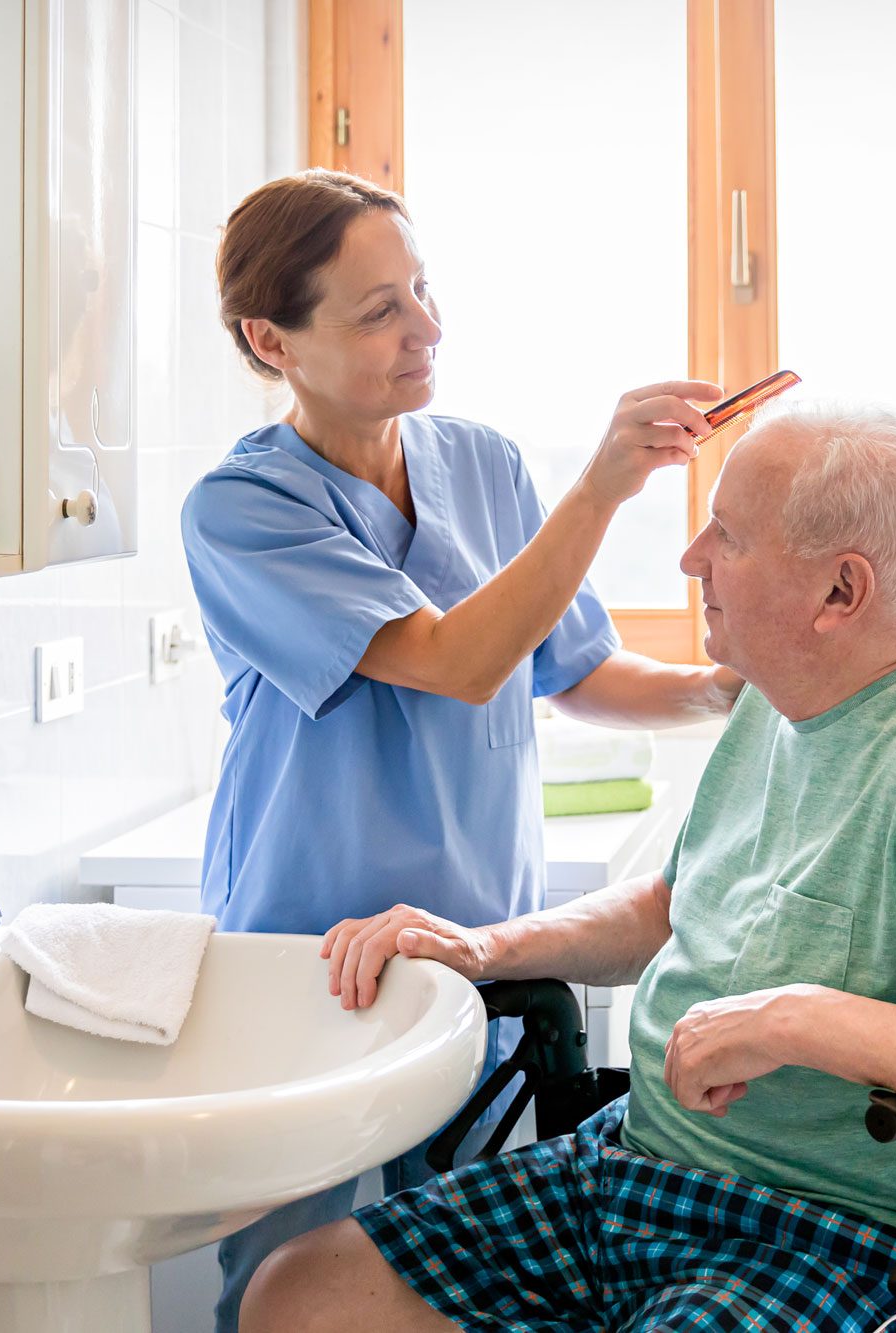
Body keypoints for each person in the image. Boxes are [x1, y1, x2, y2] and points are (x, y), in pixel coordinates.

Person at [240, 402, 896, 1333]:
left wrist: (799, 1020)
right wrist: (481, 945)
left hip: (838, 1235)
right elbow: (673, 906)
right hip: (640, 1172)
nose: (691, 558)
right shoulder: (784, 692)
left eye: (731, 536)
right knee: (300, 1294)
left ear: (841, 594)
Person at [180, 169, 742, 1328]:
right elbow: (454, 659)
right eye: (376, 308)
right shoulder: (241, 512)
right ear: (268, 339)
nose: (424, 329)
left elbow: (572, 667)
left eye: (422, 291)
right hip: (307, 972)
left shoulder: (480, 462)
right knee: (292, 1290)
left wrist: (725, 689)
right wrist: (603, 486)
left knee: (460, 1285)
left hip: (470, 961)